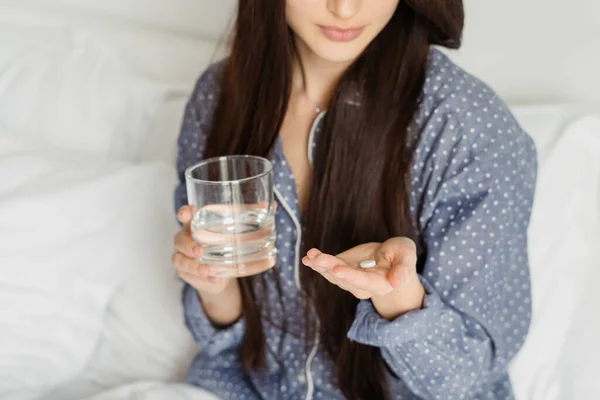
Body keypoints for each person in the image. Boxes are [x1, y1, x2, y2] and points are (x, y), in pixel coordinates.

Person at [172, 0, 538, 399]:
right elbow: (226, 346)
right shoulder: (219, 96)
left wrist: (397, 296)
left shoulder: (468, 128)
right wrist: (213, 285)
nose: (345, 9)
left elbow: (463, 380)